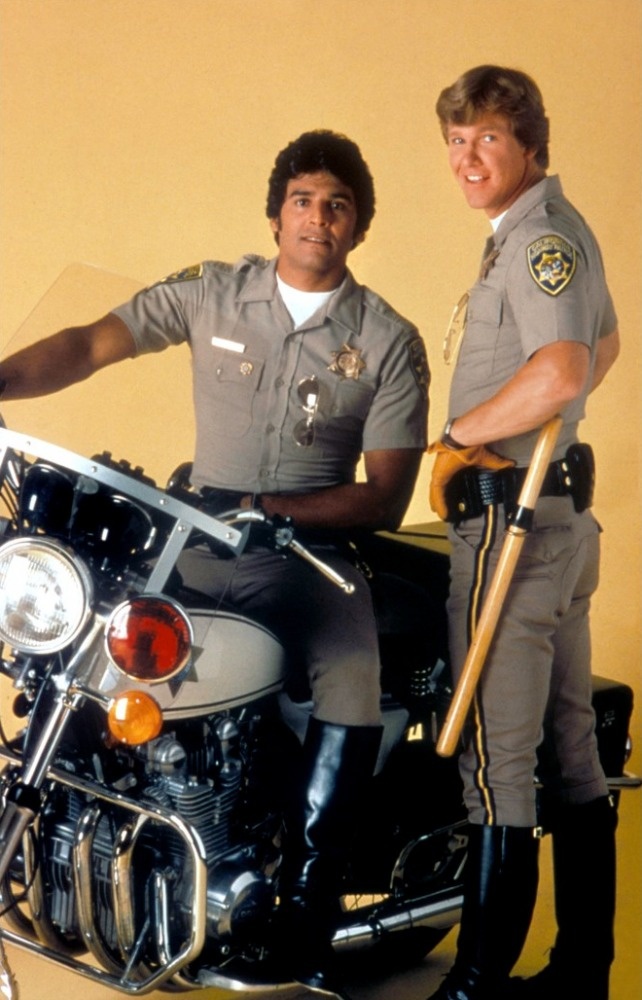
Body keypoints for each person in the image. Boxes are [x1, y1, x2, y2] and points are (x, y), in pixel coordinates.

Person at [0, 129, 430, 993]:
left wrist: (274, 510)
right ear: (276, 214)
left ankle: (306, 905)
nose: (319, 218)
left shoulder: (386, 340)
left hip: (307, 555)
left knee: (348, 670)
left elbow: (383, 495)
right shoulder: (213, 294)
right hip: (190, 537)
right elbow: (89, 343)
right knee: (93, 642)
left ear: (358, 228)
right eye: (304, 200)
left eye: (338, 207)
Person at [426, 66, 620, 1000]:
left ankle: (474, 985)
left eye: (487, 140)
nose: (467, 157)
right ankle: (583, 968)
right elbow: (607, 342)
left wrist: (463, 440)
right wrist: (549, 422)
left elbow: (569, 365)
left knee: (498, 768)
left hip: (515, 533)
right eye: (456, 141)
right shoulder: (547, 233)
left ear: (530, 148)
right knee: (571, 752)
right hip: (556, 525)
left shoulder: (539, 236)